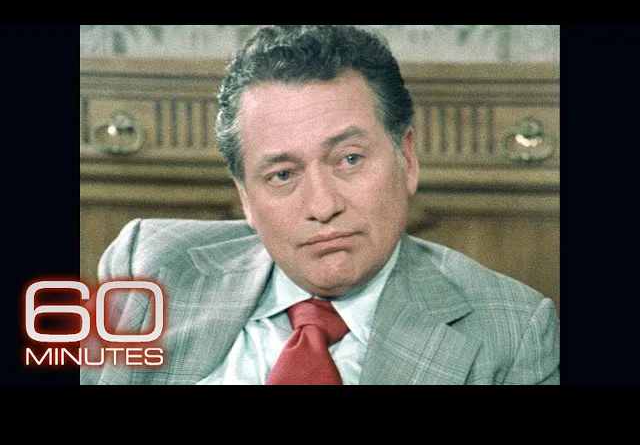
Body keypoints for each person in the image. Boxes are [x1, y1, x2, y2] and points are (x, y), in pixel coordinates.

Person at [80, 25, 560, 385]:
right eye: (282, 174)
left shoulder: (512, 332)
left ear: (407, 159)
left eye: (350, 159)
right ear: (246, 197)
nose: (323, 205)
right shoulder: (152, 264)